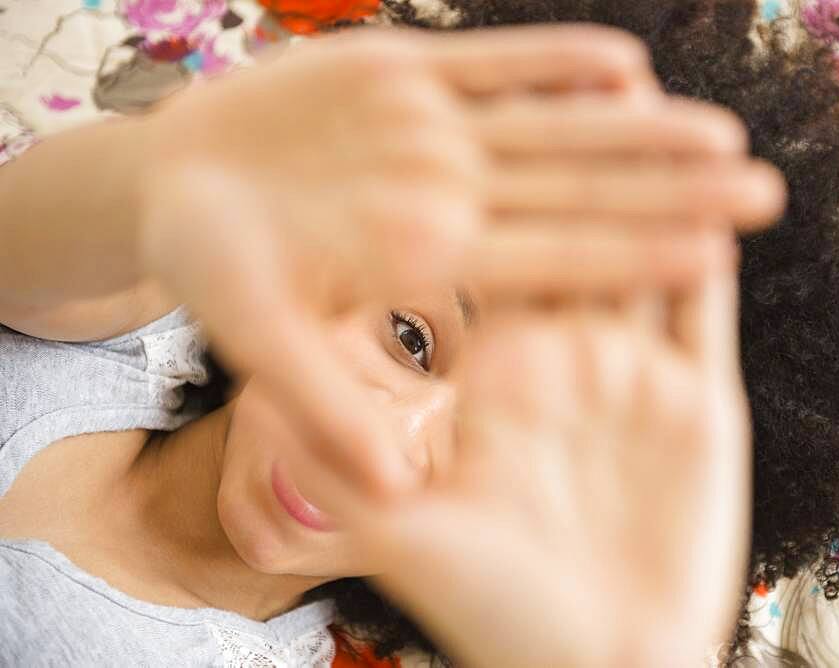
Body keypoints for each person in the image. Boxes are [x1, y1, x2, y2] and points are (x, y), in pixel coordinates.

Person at [0, 10, 783, 668]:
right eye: (410, 338)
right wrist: (170, 164)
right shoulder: (129, 305)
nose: (385, 440)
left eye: (486, 449)